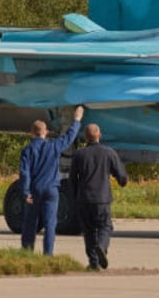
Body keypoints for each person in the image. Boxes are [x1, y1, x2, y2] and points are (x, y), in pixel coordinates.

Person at [19, 105, 84, 255]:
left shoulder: (27, 151)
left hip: (34, 190)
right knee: (50, 225)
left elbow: (25, 173)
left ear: (31, 133)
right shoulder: (53, 146)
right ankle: (48, 255)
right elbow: (69, 137)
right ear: (45, 132)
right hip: (51, 190)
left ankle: (27, 253)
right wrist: (77, 120)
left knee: (30, 224)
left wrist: (25, 191)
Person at [69, 123, 128, 270]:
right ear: (99, 135)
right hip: (102, 199)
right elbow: (122, 177)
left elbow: (72, 180)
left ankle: (93, 263)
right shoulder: (109, 153)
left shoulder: (78, 154)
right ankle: (101, 246)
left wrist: (76, 196)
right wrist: (123, 180)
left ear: (85, 137)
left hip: (84, 199)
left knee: (88, 231)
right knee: (105, 227)